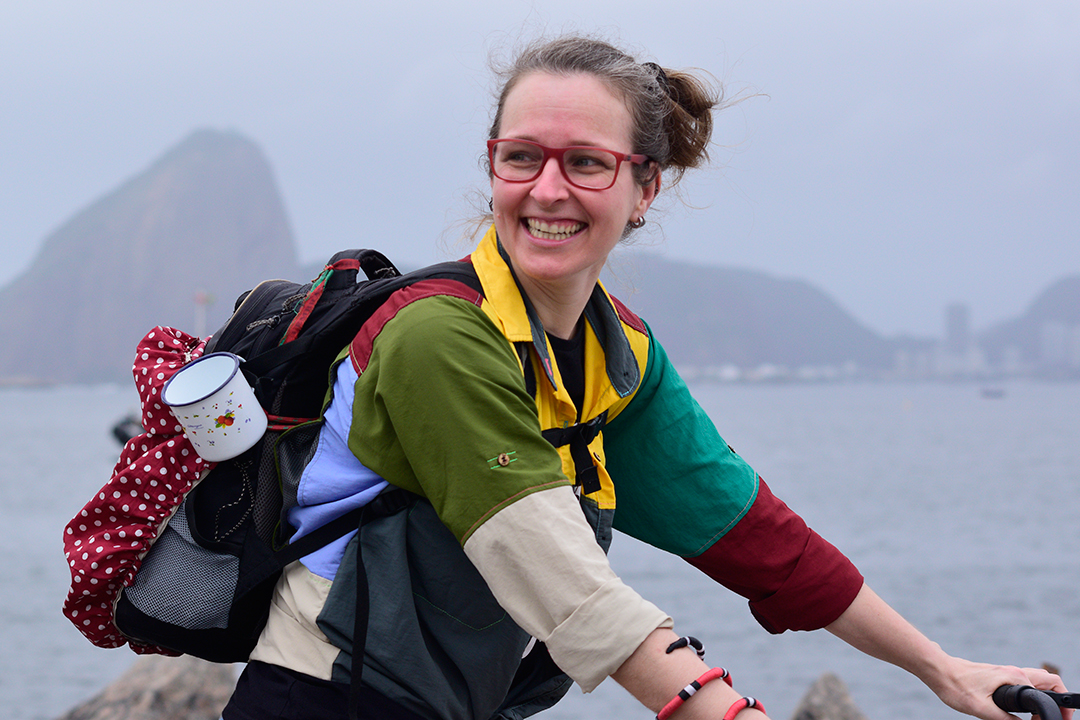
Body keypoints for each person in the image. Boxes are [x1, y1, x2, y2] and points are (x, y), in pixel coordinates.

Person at [220, 35, 1068, 720]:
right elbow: (563, 580)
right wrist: (723, 708)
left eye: (586, 163)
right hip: (321, 696)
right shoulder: (433, 337)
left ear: (644, 187)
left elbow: (757, 538)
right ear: (492, 167)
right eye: (522, 157)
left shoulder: (614, 351)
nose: (547, 189)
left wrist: (941, 669)